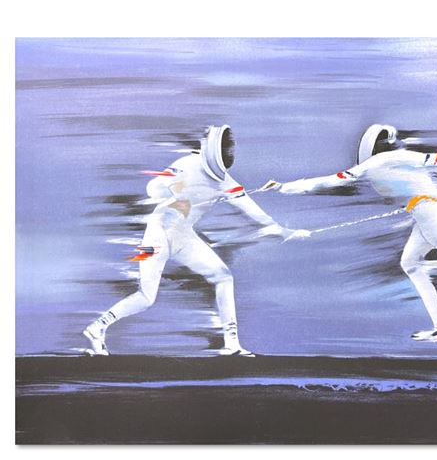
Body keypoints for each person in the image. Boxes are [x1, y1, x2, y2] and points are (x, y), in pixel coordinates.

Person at [260, 125, 437, 357]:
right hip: (427, 216)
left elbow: (333, 180)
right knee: (410, 263)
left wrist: (284, 187)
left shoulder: (380, 161)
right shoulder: (400, 159)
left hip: (434, 218)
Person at [84, 124, 292, 357]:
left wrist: (281, 230)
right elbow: (153, 188)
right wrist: (176, 190)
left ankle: (232, 344)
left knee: (223, 277)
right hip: (158, 233)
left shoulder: (225, 181)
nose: (229, 153)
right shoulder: (187, 164)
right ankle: (98, 327)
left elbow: (250, 208)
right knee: (146, 298)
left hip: (183, 236)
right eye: (226, 148)